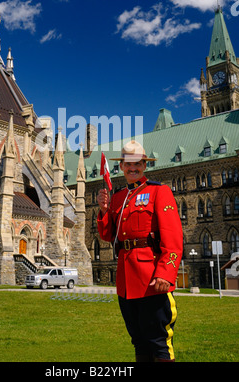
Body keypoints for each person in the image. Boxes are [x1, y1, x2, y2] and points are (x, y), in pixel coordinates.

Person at [97, 140, 183, 362]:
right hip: (126, 282)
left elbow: (172, 238)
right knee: (139, 340)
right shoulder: (118, 198)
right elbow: (109, 236)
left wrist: (166, 273)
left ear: (144, 165)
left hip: (152, 280)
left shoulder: (159, 192)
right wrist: (104, 211)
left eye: (138, 163)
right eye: (128, 164)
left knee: (159, 341)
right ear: (122, 166)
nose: (132, 168)